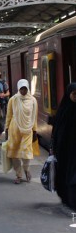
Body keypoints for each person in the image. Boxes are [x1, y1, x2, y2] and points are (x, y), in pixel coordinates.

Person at [5, 79, 38, 184]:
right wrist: (6, 129)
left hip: (28, 130)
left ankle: (27, 169)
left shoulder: (33, 100)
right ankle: (18, 175)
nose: (23, 91)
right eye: (21, 89)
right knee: (14, 153)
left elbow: (34, 117)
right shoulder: (13, 99)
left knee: (26, 153)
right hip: (14, 129)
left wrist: (35, 131)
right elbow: (9, 115)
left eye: (25, 88)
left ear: (28, 88)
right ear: (18, 88)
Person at [51, 83, 76, 211]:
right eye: (74, 94)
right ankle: (67, 199)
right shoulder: (63, 111)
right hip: (64, 150)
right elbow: (56, 131)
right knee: (64, 174)